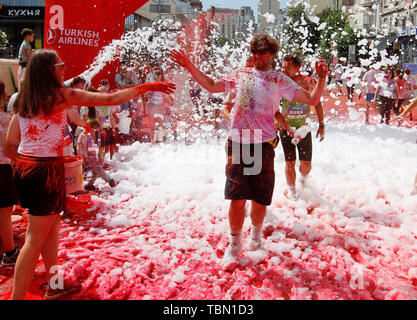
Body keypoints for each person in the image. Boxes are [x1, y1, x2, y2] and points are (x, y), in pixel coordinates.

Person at [5, 49, 175, 300]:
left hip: (27, 168)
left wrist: (29, 166)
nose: (65, 69)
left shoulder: (23, 100)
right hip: (46, 170)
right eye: (61, 65)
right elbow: (110, 99)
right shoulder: (61, 96)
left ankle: (54, 285)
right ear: (51, 70)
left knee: (51, 230)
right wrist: (147, 86)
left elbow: (10, 144)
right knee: (33, 240)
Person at [170, 34, 328, 260]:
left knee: (259, 196)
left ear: (272, 54)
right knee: (237, 196)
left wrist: (321, 78)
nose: (256, 56)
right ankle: (235, 243)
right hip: (240, 140)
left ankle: (255, 237)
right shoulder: (241, 73)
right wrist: (189, 65)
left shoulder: (278, 80)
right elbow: (213, 86)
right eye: (254, 51)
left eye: (262, 52)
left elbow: (312, 100)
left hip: (263, 143)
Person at [280, 54, 325, 200]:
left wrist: (321, 124)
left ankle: (303, 180)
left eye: (288, 68)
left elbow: (317, 103)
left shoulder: (308, 82)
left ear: (297, 68)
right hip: (286, 127)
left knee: (306, 165)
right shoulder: (280, 82)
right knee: (290, 162)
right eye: (283, 67)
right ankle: (292, 189)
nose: (284, 70)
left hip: (303, 128)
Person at [0, 80, 20, 268]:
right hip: (1, 168)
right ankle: (10, 252)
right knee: (4, 213)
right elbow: (8, 149)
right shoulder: (4, 119)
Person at [76, 119, 116, 191]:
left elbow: (91, 148)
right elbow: (79, 148)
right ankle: (110, 180)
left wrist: (96, 156)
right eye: (93, 129)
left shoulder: (89, 135)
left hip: (92, 157)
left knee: (96, 172)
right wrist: (81, 159)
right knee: (99, 169)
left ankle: (89, 185)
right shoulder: (82, 136)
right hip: (87, 157)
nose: (94, 131)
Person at [144, 67, 174, 143]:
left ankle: (160, 141)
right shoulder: (151, 84)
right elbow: (145, 94)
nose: (157, 75)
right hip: (152, 105)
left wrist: (167, 105)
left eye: (158, 73)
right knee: (152, 125)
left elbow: (170, 100)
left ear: (162, 74)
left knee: (160, 125)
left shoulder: (164, 84)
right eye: (155, 73)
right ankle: (153, 141)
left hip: (161, 106)